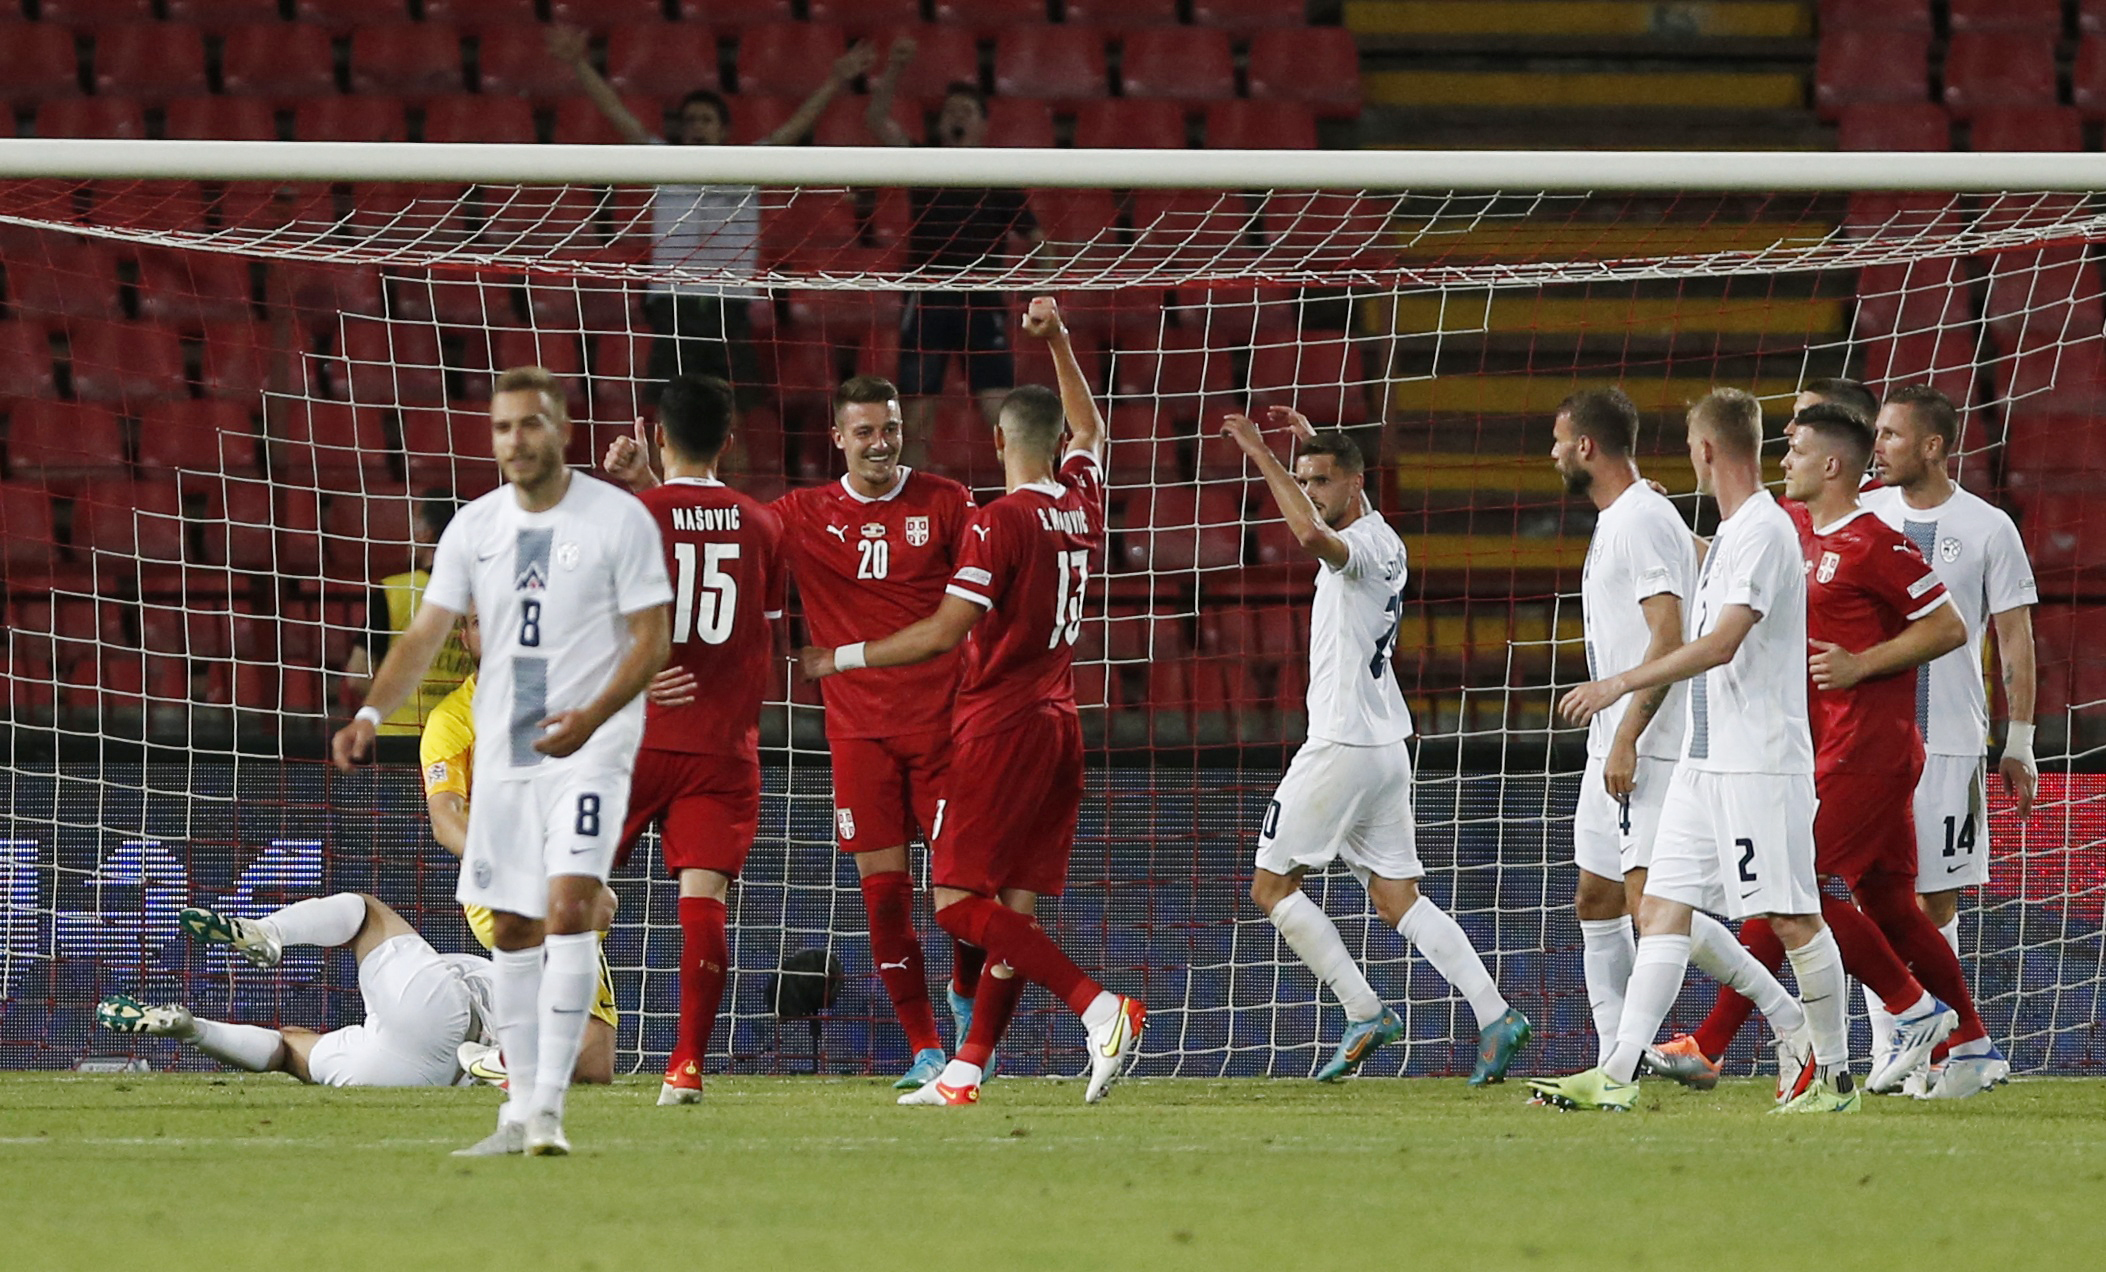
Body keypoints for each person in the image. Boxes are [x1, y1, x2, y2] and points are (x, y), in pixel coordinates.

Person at [800, 297, 1142, 1108]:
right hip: (1064, 725)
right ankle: (967, 1067)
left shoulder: (998, 522)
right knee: (1009, 907)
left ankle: (1100, 1006)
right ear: (1054, 447)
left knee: (956, 905)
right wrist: (1059, 339)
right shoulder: (1080, 505)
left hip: (1000, 726)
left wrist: (837, 657)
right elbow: (1093, 432)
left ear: (996, 441)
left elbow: (947, 630)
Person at [332, 366, 672, 1157]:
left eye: (531, 424)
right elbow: (421, 637)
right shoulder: (473, 529)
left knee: (572, 905)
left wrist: (587, 718)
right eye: (502, 428)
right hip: (511, 748)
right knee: (516, 925)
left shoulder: (615, 520)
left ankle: (542, 1114)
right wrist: (372, 711)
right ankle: (521, 1113)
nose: (516, 441)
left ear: (560, 430)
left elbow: (652, 640)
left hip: (589, 742)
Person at [606, 375, 980, 1092]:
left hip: (943, 728)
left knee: (964, 895)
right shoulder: (798, 515)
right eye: (864, 431)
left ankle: (967, 1002)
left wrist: (649, 481)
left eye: (891, 429)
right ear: (837, 437)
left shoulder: (947, 502)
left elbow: (696, 522)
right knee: (886, 898)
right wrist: (655, 479)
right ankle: (927, 1048)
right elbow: (707, 531)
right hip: (858, 735)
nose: (880, 443)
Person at [1529, 388, 1850, 1114]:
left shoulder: (1765, 530)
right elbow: (1699, 576)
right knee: (1663, 909)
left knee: (1794, 917)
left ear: (1705, 451)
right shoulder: (1731, 531)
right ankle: (1616, 1072)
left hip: (1758, 759)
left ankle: (1829, 1070)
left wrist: (1621, 689)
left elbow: (1717, 643)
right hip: (1707, 760)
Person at [1661, 404, 1985, 1097]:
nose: (1783, 461)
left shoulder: (1877, 543)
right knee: (1891, 904)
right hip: (1823, 743)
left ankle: (1905, 1011)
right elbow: (1735, 574)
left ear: (1832, 464)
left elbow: (1950, 628)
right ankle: (1975, 1042)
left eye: (1797, 449)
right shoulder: (1792, 527)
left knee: (1790, 886)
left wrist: (1863, 664)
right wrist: (1671, 530)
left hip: (1869, 749)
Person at [1219, 405, 1531, 1084]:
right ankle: (1496, 1014)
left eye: (1323, 481)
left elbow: (1307, 532)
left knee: (1271, 886)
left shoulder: (1357, 548)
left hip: (1342, 743)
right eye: (1307, 480)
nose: (1313, 492)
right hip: (1385, 744)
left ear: (1355, 483)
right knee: (1400, 900)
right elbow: (1326, 503)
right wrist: (1308, 452)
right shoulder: (1388, 537)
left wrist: (1259, 453)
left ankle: (1364, 1011)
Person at [606, 374, 786, 1106]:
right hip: (722, 748)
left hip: (632, 741)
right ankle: (684, 1068)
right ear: (730, 442)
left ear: (656, 433)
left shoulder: (631, 516)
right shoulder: (765, 524)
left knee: (565, 885)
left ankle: (526, 1055)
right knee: (702, 903)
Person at [1861, 383, 2038, 1096]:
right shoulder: (1865, 513)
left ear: (1933, 446)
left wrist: (2018, 741)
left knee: (1934, 902)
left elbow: (2017, 641)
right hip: (1871, 739)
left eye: (1892, 435)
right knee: (1876, 896)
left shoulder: (1989, 526)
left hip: (1952, 741)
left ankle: (1951, 1049)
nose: (1878, 446)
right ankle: (1891, 1048)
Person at [546, 24, 876, 407]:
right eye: (689, 122)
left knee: (730, 409)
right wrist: (580, 65)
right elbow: (618, 115)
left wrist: (836, 79)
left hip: (729, 302)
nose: (696, 128)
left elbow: (795, 129)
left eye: (705, 120)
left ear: (723, 130)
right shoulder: (664, 163)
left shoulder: (746, 168)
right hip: (673, 301)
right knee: (671, 409)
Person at [419, 603, 620, 1087]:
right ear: (464, 639)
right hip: (498, 883)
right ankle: (517, 1053)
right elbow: (446, 819)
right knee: (597, 905)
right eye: (478, 620)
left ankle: (511, 1056)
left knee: (594, 1067)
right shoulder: (452, 720)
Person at [97, 893, 494, 1088]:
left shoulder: (360, 1045)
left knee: (365, 914)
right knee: (288, 1051)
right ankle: (192, 1030)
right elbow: (284, 1048)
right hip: (428, 1074)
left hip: (414, 1048)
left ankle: (269, 932)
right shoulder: (357, 1044)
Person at [865, 37, 1041, 434]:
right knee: (916, 415)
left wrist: (1043, 287)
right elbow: (877, 122)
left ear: (982, 123)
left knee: (999, 411)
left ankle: (1022, 491)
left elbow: (1038, 236)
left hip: (982, 297)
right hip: (929, 295)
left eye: (965, 110)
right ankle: (907, 497)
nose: (956, 116)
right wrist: (894, 70)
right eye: (950, 111)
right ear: (940, 123)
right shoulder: (925, 162)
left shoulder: (998, 179)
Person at [341, 492, 472, 734]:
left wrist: (392, 698)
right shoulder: (486, 590)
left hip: (398, 739)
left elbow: (358, 675)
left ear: (426, 533)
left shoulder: (393, 591)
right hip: (462, 736)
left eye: (415, 526)